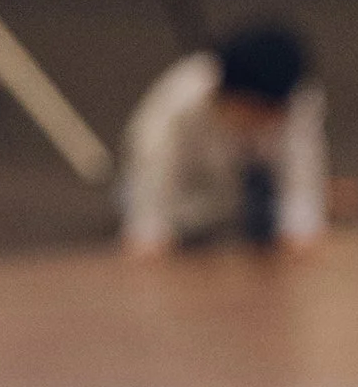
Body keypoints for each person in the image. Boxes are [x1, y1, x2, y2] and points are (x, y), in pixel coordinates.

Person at [118, 20, 327, 255]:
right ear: (229, 96)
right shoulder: (175, 108)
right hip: (185, 205)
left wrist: (300, 227)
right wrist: (150, 231)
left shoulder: (296, 99)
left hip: (248, 203)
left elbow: (302, 184)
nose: (263, 124)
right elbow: (150, 192)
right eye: (255, 113)